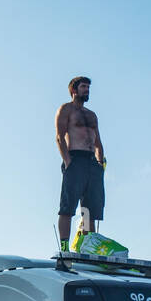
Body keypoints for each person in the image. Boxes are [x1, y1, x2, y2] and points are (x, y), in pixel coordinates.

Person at [55, 76, 106, 248]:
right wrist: (68, 161)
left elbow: (98, 141)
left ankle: (88, 246)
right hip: (75, 159)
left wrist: (101, 163)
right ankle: (64, 246)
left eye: (88, 87)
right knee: (68, 207)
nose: (87, 90)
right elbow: (59, 137)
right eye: (84, 87)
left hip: (92, 163)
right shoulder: (66, 109)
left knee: (90, 210)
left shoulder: (92, 115)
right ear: (74, 90)